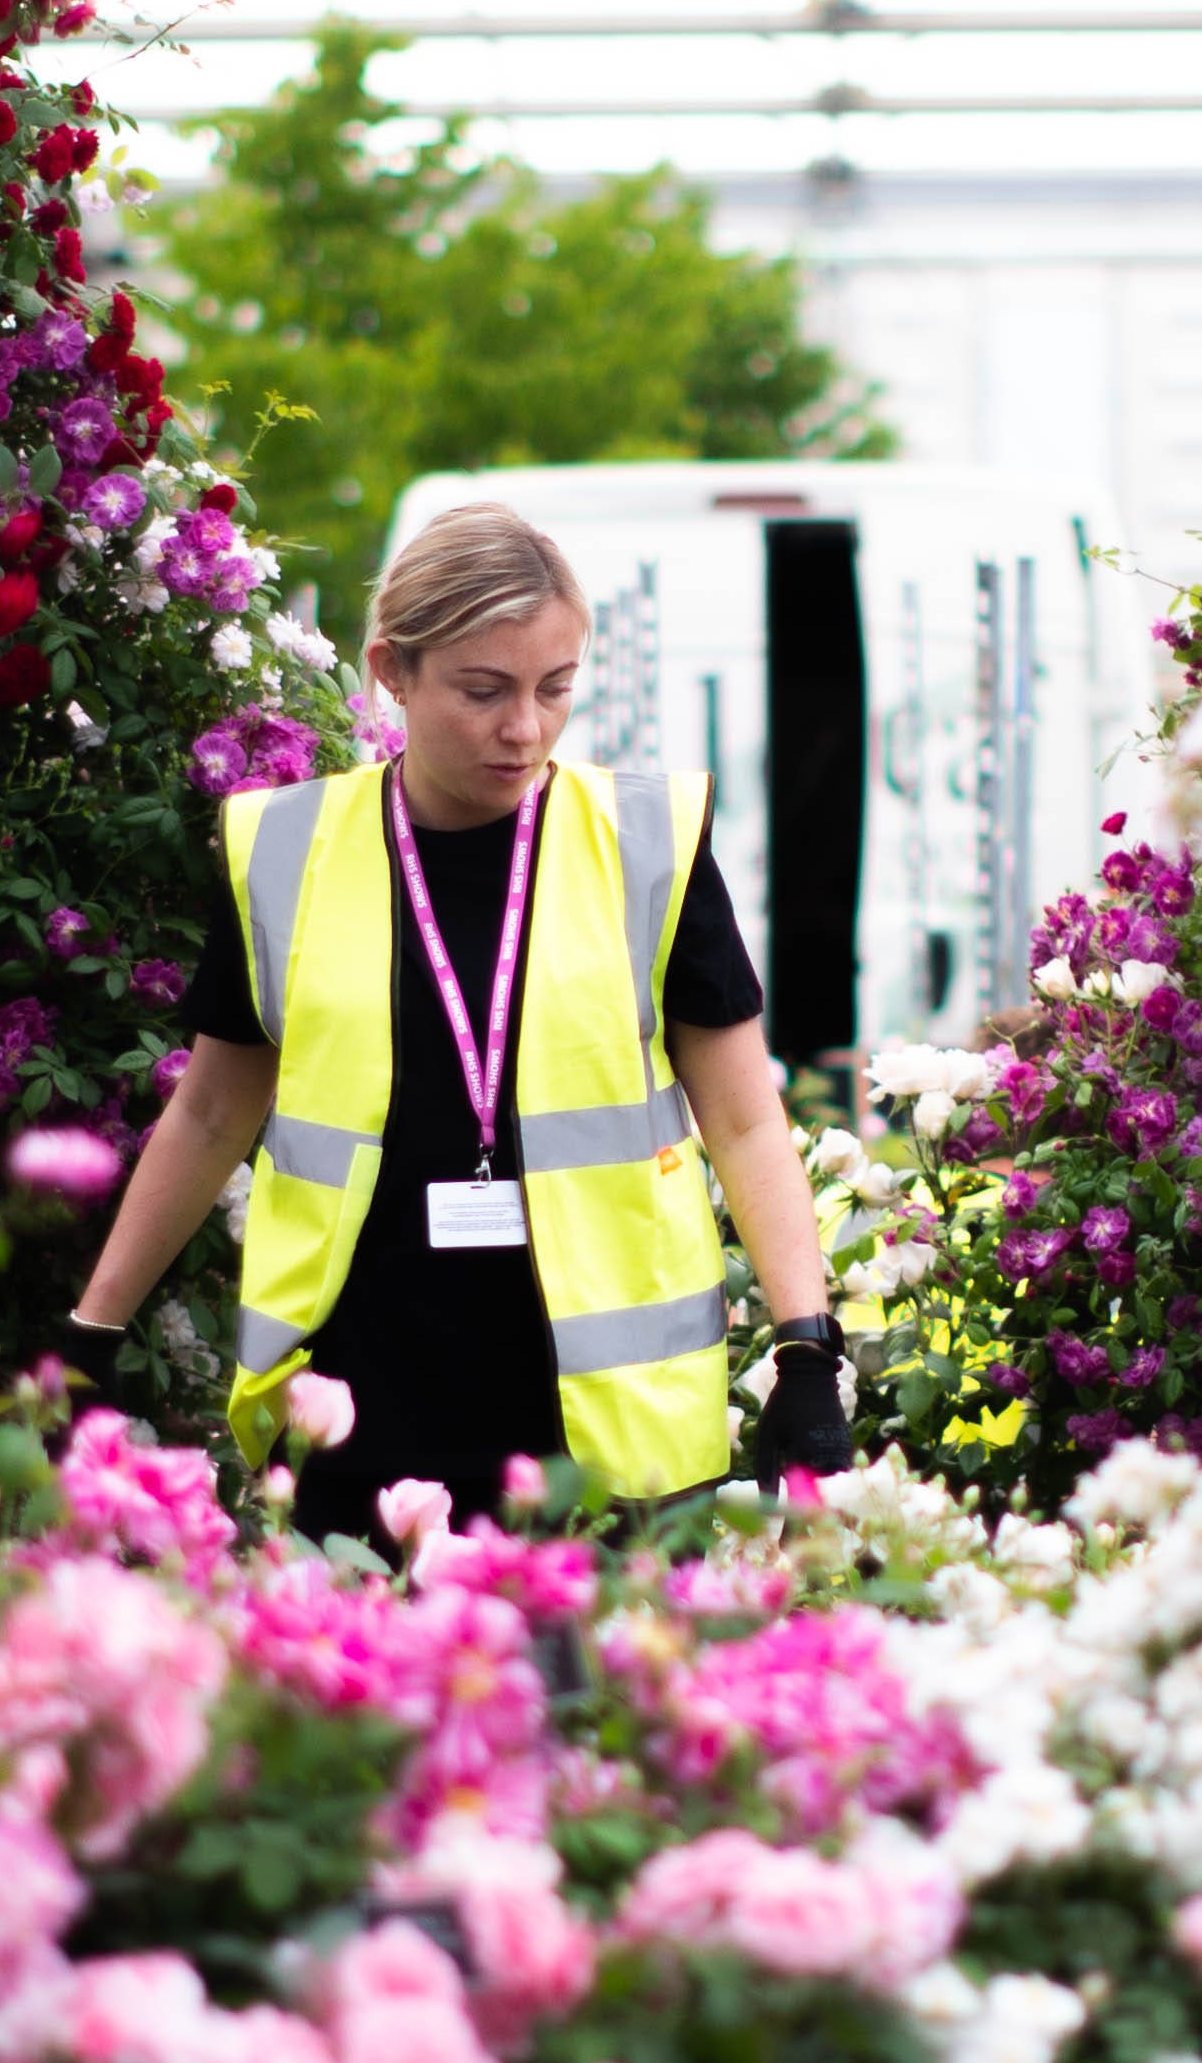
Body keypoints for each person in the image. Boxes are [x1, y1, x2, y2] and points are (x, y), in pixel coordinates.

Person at [62, 502, 855, 1540]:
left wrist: (806, 1346)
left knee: (595, 1706)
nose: (523, 727)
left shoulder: (648, 840)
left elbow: (748, 1121)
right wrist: (95, 1326)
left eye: (554, 687)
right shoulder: (284, 850)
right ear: (392, 669)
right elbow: (210, 1113)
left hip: (601, 1432)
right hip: (360, 1412)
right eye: (483, 690)